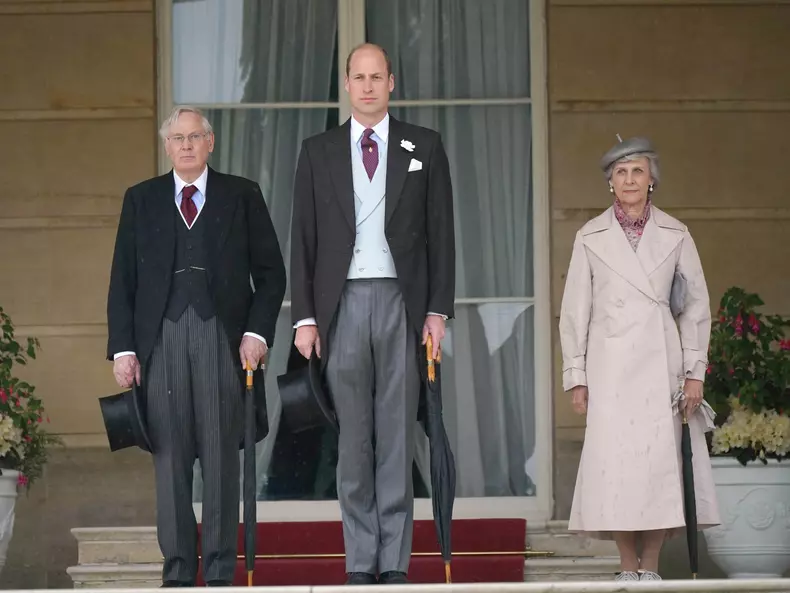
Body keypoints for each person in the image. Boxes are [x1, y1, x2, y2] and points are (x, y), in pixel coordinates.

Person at [289, 43, 455, 585]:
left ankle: (394, 561)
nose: (366, 86)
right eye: (357, 77)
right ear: (346, 83)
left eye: (376, 77)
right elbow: (304, 241)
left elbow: (441, 236)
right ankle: (360, 559)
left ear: (391, 83)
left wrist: (437, 311)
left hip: (402, 304)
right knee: (353, 438)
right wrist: (306, 317)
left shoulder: (422, 145)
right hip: (342, 306)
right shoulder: (318, 151)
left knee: (397, 434)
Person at [106, 106, 286, 587]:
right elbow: (122, 279)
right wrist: (123, 348)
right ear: (167, 146)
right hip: (160, 342)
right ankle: (179, 572)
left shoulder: (242, 194)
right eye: (177, 138)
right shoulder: (141, 199)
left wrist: (257, 332)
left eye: (195, 136)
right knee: (169, 460)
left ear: (210, 143)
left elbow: (271, 274)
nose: (186, 145)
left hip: (223, 340)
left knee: (222, 456)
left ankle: (222, 571)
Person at [558, 136, 720, 581]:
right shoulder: (589, 235)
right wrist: (577, 375)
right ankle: (626, 566)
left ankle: (651, 567)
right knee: (617, 471)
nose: (630, 180)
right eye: (621, 172)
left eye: (638, 172)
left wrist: (694, 373)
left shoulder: (676, 234)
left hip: (661, 368)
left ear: (652, 181)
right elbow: (574, 311)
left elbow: (695, 309)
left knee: (657, 469)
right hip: (609, 371)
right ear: (611, 182)